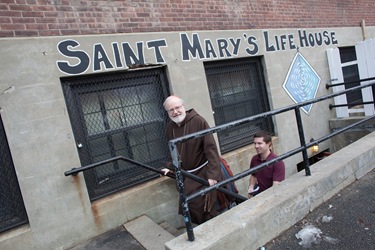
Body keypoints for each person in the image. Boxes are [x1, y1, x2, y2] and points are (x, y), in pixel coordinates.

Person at [161, 95, 222, 224]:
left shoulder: (198, 121)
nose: (175, 112)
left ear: (183, 106)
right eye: (171, 110)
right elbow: (172, 151)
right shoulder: (169, 128)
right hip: (186, 173)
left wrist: (213, 174)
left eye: (177, 107)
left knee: (203, 204)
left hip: (202, 171)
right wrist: (170, 166)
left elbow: (211, 149)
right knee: (188, 204)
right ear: (167, 112)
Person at [248, 130, 285, 198]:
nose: (256, 146)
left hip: (271, 197)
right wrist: (251, 187)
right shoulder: (254, 159)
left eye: (259, 143)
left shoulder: (277, 162)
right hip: (259, 193)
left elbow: (276, 187)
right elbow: (253, 175)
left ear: (268, 144)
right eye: (255, 143)